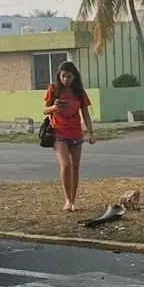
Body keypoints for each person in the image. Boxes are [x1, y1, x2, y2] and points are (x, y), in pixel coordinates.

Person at [43, 61, 95, 212]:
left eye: (69, 76)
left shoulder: (79, 92)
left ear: (74, 76)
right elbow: (44, 110)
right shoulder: (53, 89)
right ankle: (66, 199)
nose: (65, 79)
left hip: (76, 132)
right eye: (63, 76)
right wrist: (54, 107)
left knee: (75, 167)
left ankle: (73, 200)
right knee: (65, 165)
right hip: (58, 131)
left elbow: (85, 113)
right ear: (59, 76)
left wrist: (90, 132)